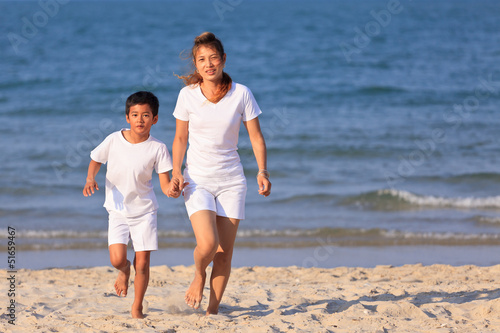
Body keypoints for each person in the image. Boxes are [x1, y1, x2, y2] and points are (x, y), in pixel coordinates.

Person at [171, 32, 271, 315]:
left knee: (224, 254)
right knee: (208, 243)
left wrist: (262, 171)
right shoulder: (187, 95)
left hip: (232, 181)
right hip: (197, 179)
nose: (209, 64)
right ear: (196, 64)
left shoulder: (242, 93)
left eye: (214, 58)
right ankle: (199, 274)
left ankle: (212, 312)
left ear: (224, 59)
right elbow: (180, 138)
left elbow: (256, 137)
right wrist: (177, 171)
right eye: (202, 59)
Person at [83, 91, 180, 319]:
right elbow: (96, 160)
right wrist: (90, 178)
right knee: (116, 259)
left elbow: (165, 185)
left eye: (146, 115)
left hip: (145, 211)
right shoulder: (113, 140)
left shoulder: (158, 148)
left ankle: (137, 306)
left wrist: (173, 191)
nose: (140, 120)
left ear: (154, 119)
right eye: (135, 115)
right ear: (127, 117)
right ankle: (124, 271)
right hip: (117, 210)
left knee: (143, 263)